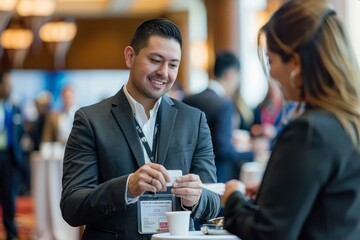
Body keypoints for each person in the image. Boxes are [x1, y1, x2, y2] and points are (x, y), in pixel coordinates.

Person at [60, 18, 221, 240]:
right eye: (155, 60)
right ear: (130, 56)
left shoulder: (193, 120)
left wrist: (197, 197)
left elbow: (213, 201)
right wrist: (127, 187)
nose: (164, 72)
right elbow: (72, 206)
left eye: (173, 64)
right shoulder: (90, 120)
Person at [221, 0, 360, 239]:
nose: (271, 73)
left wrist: (233, 199)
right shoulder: (349, 121)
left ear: (295, 63)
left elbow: (270, 233)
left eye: (271, 60)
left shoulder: (309, 131)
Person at [183, 51, 253, 183]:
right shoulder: (224, 104)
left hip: (188, 174)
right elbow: (223, 150)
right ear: (231, 75)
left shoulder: (188, 99)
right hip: (214, 175)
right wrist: (251, 153)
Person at [0, 69, 25, 240]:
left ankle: (11, 234)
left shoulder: (15, 109)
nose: (10, 87)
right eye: (7, 84)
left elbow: (20, 133)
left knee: (9, 198)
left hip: (9, 158)